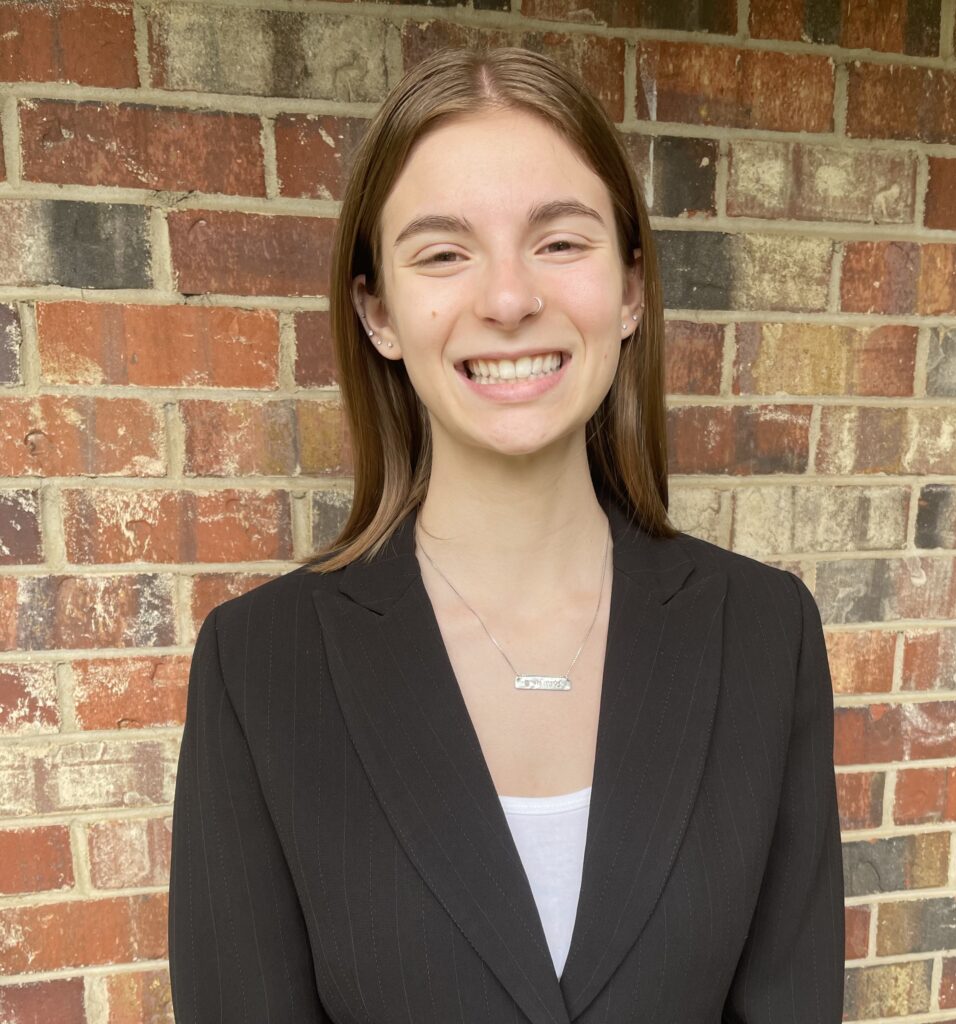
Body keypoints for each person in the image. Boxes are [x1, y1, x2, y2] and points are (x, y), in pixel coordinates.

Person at [167, 45, 845, 1023]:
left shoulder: (763, 633)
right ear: (378, 312)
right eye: (443, 252)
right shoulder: (261, 666)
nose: (508, 297)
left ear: (629, 290)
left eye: (559, 242)